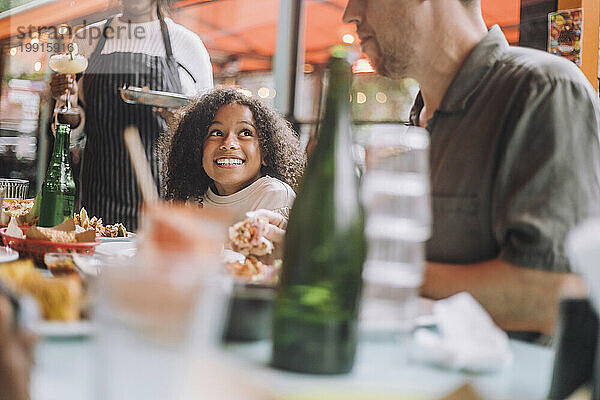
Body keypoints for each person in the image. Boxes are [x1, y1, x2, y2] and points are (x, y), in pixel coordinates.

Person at [342, 0, 600, 335]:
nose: (350, 13)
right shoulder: (415, 124)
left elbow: (552, 293)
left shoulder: (543, 88)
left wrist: (373, 269)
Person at [49, 0, 213, 231]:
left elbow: (208, 131)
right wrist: (67, 101)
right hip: (100, 190)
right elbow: (69, 132)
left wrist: (178, 121)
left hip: (163, 194)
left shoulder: (188, 45)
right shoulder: (87, 39)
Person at [161, 88, 305, 224]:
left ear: (265, 154)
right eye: (216, 133)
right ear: (197, 149)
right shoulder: (194, 201)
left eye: (245, 133)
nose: (228, 143)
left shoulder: (274, 196)